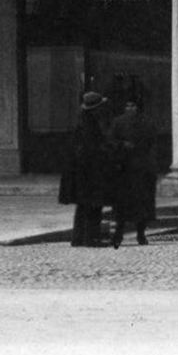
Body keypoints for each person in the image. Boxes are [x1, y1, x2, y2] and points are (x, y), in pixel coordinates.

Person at [58, 90, 111, 248]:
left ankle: (79, 237)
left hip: (82, 174)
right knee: (93, 206)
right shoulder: (90, 126)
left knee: (83, 207)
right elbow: (91, 151)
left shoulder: (83, 123)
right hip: (89, 173)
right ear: (95, 109)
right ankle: (91, 238)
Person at [107, 99, 159, 249]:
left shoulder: (147, 123)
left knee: (142, 204)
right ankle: (118, 234)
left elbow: (152, 144)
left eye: (133, 105)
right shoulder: (118, 122)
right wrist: (122, 145)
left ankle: (141, 234)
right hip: (124, 168)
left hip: (142, 168)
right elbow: (111, 140)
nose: (130, 108)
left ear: (138, 107)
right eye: (127, 105)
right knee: (122, 205)